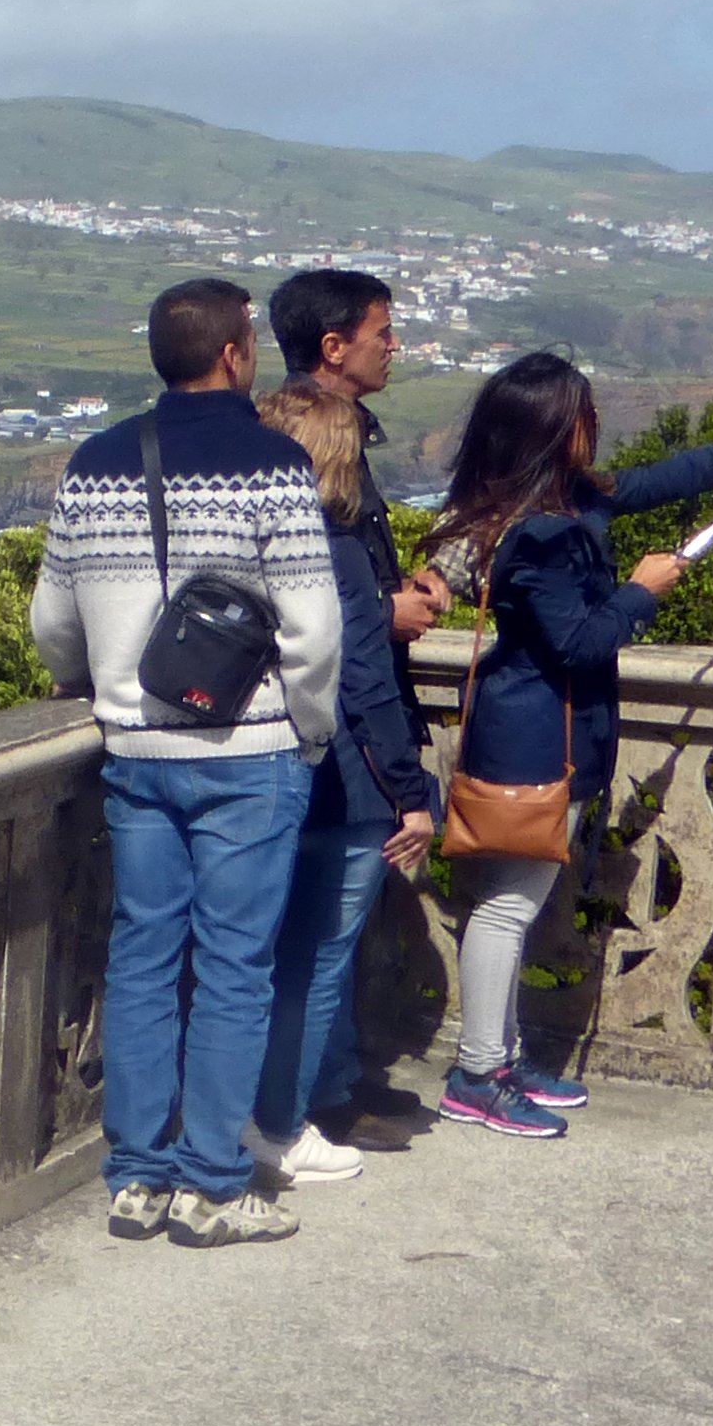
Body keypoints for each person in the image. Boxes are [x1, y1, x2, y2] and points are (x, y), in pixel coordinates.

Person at [420, 357, 713, 1136]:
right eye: (585, 414)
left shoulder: (567, 500)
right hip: (532, 737)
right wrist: (641, 591)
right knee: (508, 907)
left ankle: (501, 1055)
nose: (596, 426)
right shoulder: (539, 535)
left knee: (516, 901)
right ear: (555, 429)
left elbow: (674, 476)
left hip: (543, 728)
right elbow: (580, 642)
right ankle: (478, 1073)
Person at [31, 276, 343, 1247]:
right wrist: (310, 730)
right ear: (235, 353)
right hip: (249, 750)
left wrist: (100, 684)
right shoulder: (274, 464)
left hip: (135, 750)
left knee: (142, 958)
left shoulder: (94, 463)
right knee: (234, 970)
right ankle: (210, 1185)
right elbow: (314, 628)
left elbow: (52, 621)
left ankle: (136, 1177)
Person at [246, 268, 441, 1182]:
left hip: (286, 752)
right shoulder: (334, 519)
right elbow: (357, 659)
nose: (395, 346)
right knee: (318, 950)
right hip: (347, 760)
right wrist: (411, 789)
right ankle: (290, 1117)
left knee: (298, 947)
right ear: (333, 348)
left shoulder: (273, 494)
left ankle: (325, 1088)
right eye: (383, 332)